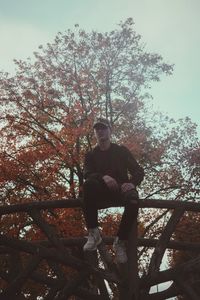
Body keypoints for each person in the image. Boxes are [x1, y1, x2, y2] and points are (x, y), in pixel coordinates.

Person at [82, 118, 144, 263]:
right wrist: (104, 177)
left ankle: (120, 242)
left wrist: (132, 183)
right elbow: (87, 174)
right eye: (97, 129)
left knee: (134, 199)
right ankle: (94, 233)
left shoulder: (121, 151)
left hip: (121, 189)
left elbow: (138, 171)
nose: (100, 131)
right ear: (94, 133)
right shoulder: (90, 155)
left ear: (110, 130)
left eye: (103, 128)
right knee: (88, 185)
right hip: (100, 191)